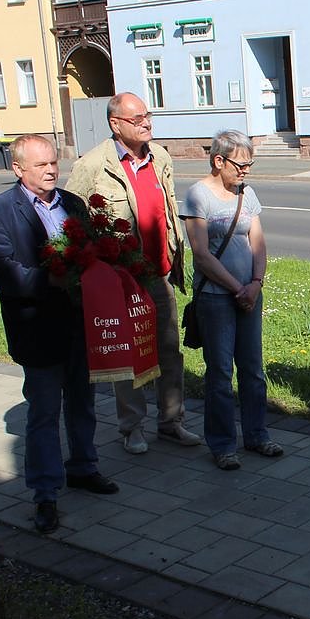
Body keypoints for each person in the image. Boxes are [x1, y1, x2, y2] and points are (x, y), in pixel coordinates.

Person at [0, 135, 118, 534]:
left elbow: (93, 251)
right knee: (44, 414)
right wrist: (48, 280)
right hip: (38, 329)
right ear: (18, 169)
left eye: (54, 162)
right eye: (41, 165)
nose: (51, 170)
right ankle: (45, 493)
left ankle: (84, 468)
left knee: (83, 402)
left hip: (80, 325)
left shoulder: (72, 204)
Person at [67, 92, 202, 455]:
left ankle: (171, 422)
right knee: (129, 356)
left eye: (148, 116)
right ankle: (132, 427)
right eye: (137, 118)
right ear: (116, 124)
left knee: (169, 352)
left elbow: (166, 211)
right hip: (121, 280)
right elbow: (73, 223)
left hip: (159, 274)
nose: (147, 123)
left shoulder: (160, 157)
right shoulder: (92, 166)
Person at [180, 131, 284, 470]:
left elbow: (258, 241)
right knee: (221, 374)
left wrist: (256, 283)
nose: (245, 171)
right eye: (240, 165)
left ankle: (257, 435)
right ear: (218, 160)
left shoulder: (246, 193)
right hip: (216, 300)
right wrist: (237, 289)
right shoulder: (198, 196)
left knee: (253, 370)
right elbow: (201, 255)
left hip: (249, 296)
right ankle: (223, 445)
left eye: (250, 164)